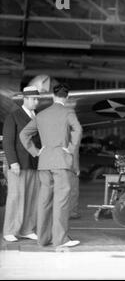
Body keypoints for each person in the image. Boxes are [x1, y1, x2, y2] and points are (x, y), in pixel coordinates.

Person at [20, 83, 82, 248]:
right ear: (66, 97)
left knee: (44, 200)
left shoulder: (41, 115)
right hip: (61, 162)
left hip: (45, 162)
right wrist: (70, 148)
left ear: (53, 96)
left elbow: (24, 134)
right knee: (61, 200)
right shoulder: (68, 111)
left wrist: (36, 151)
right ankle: (60, 239)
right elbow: (78, 129)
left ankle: (43, 239)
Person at [2, 86, 40, 242]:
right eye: (34, 99)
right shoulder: (13, 116)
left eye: (38, 99)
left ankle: (27, 229)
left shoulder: (37, 117)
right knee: (15, 197)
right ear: (25, 99)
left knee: (32, 198)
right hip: (19, 164)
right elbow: (8, 142)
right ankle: (10, 230)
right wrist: (13, 162)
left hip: (35, 163)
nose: (37, 102)